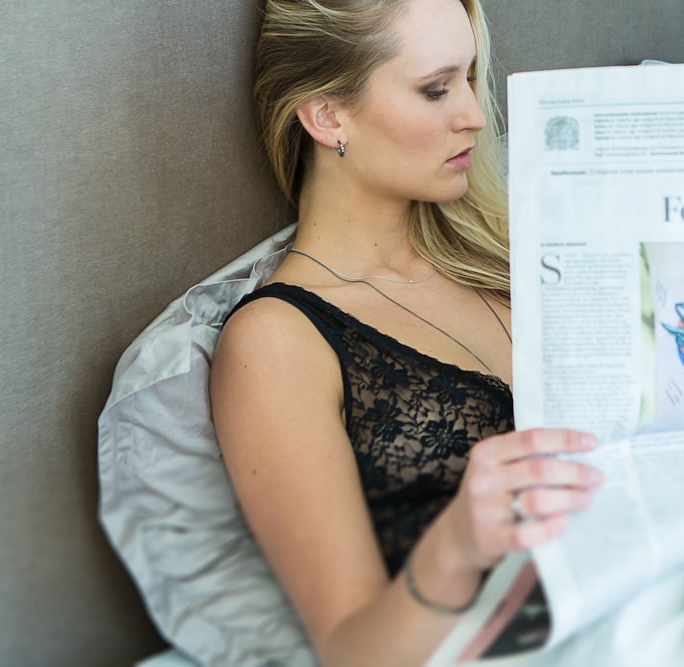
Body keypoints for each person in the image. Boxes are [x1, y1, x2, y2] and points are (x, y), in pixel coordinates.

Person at [208, 0, 604, 665]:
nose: (474, 114)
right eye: (434, 88)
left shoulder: (512, 259)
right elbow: (351, 651)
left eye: (470, 77)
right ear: (327, 115)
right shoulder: (279, 341)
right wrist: (455, 544)